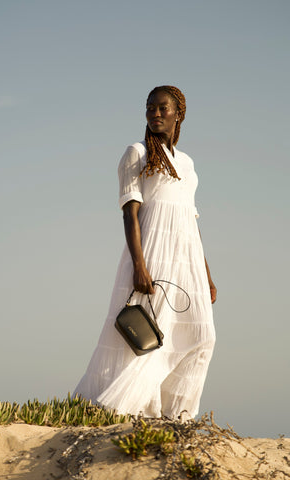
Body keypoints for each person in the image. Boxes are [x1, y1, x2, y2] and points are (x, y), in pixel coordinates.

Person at [73, 85, 216, 419]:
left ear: (178, 113)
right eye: (149, 107)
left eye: (162, 108)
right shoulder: (136, 152)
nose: (155, 113)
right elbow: (129, 212)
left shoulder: (188, 162)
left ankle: (178, 413)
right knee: (147, 337)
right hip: (152, 253)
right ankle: (128, 409)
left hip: (188, 256)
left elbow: (190, 219)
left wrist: (207, 276)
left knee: (202, 335)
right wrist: (139, 265)